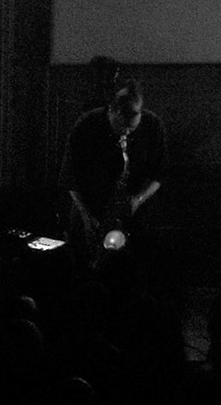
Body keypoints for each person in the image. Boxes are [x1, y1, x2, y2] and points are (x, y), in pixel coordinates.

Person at [62, 78, 167, 266]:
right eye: (121, 127)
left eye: (131, 128)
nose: (125, 133)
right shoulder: (87, 124)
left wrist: (137, 200)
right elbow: (71, 175)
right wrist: (86, 217)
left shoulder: (152, 125)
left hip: (135, 208)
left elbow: (159, 171)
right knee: (83, 259)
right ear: (111, 110)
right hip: (91, 203)